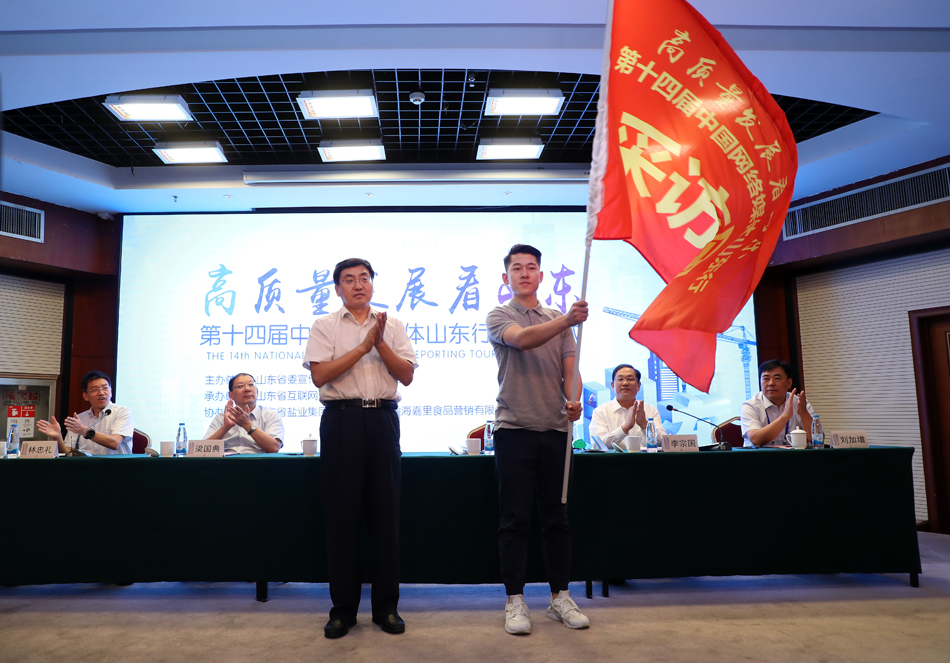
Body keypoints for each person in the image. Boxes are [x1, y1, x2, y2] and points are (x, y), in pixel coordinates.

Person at [303, 258, 417, 639]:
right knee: (342, 518)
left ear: (372, 284)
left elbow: (406, 375)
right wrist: (363, 347)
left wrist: (379, 343)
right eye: (349, 280)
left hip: (383, 420)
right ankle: (343, 611)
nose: (357, 285)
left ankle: (386, 609)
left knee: (386, 516)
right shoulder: (325, 326)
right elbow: (320, 374)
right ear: (337, 289)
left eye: (364, 278)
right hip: (342, 420)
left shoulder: (392, 325)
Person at [486, 243, 591, 635]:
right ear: (506, 277)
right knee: (514, 519)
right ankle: (515, 601)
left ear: (541, 275)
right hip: (514, 429)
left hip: (556, 431)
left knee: (556, 519)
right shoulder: (500, 315)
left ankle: (559, 597)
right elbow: (523, 340)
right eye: (517, 268)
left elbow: (570, 370)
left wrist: (573, 399)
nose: (525, 273)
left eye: (531, 267)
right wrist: (566, 320)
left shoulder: (558, 320)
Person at [36, 370, 133, 455]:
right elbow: (67, 453)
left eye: (105, 388)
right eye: (95, 389)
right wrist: (58, 436)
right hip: (86, 467)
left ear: (111, 392)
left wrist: (84, 430)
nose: (101, 393)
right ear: (85, 396)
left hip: (116, 467)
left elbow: (115, 443)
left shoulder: (122, 412)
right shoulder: (79, 419)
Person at [589, 364, 667, 451]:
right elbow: (597, 445)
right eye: (620, 379)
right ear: (613, 385)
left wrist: (645, 425)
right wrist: (625, 428)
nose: (625, 383)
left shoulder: (651, 410)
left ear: (639, 386)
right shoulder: (601, 411)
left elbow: (665, 443)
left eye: (630, 379)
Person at [740, 359, 816, 447]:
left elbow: (816, 439)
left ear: (789, 383)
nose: (771, 383)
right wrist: (785, 416)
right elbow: (756, 440)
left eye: (777, 378)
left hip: (793, 455)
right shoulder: (750, 406)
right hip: (759, 455)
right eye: (766, 379)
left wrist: (804, 413)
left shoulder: (800, 403)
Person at [203, 373, 283, 454]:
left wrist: (247, 424)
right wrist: (226, 427)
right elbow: (202, 450)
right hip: (227, 460)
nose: (247, 389)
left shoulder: (270, 415)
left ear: (257, 391)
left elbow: (274, 448)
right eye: (240, 386)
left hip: (257, 460)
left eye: (251, 385)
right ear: (231, 395)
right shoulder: (221, 417)